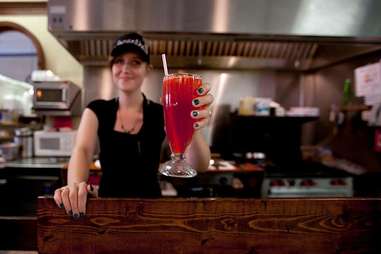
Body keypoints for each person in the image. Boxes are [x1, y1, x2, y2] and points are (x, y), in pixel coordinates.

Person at [53, 32, 214, 218]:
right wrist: (75, 186)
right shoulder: (97, 109)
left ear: (148, 69)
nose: (125, 68)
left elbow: (200, 165)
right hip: (106, 211)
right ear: (112, 67)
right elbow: (82, 151)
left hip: (151, 213)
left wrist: (192, 126)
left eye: (136, 62)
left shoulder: (161, 112)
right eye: (119, 61)